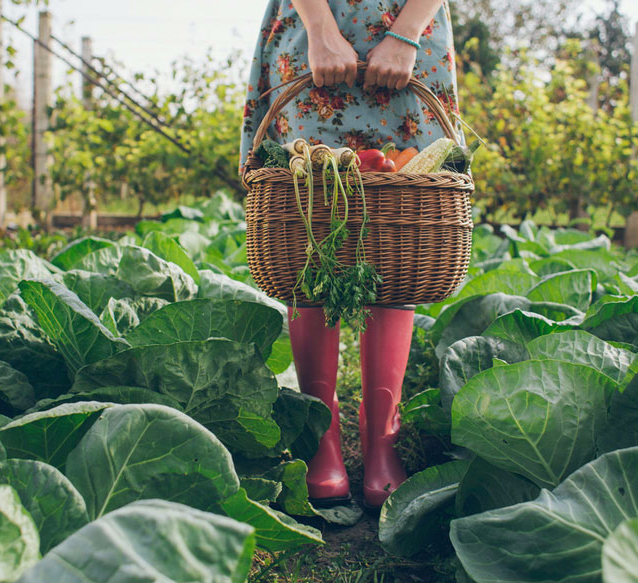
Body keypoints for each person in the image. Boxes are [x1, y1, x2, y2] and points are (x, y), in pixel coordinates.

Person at [240, 0, 459, 508]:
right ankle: (322, 436)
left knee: (401, 223)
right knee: (308, 223)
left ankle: (382, 438)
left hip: (411, 29)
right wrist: (319, 28)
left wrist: (406, 34)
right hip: (315, 27)